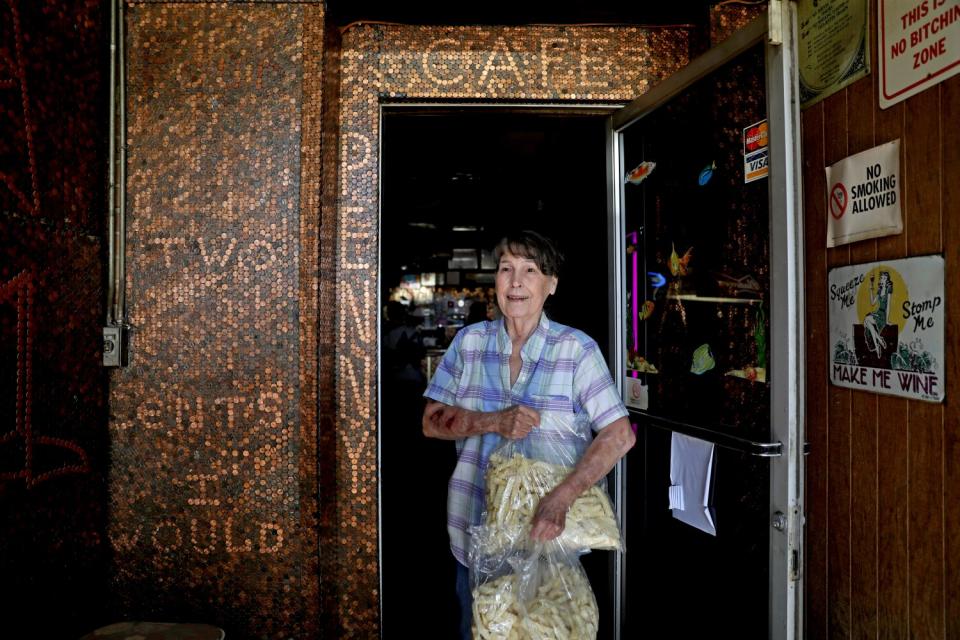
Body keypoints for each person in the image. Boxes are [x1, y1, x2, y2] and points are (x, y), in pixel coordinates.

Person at [421, 230, 636, 638]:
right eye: (506, 269)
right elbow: (431, 421)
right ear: (496, 282)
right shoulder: (469, 344)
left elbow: (619, 434)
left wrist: (561, 498)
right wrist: (493, 422)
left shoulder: (576, 350)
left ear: (551, 284)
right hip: (473, 534)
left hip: (548, 542)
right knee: (482, 628)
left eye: (530, 270)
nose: (516, 282)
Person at [864, 270, 892, 358]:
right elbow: (872, 303)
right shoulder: (879, 290)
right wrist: (871, 288)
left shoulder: (889, 289)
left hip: (883, 315)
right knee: (866, 320)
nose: (883, 280)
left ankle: (877, 345)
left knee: (866, 320)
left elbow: (888, 306)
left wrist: (887, 320)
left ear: (887, 280)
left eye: (884, 278)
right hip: (878, 312)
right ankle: (879, 341)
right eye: (882, 278)